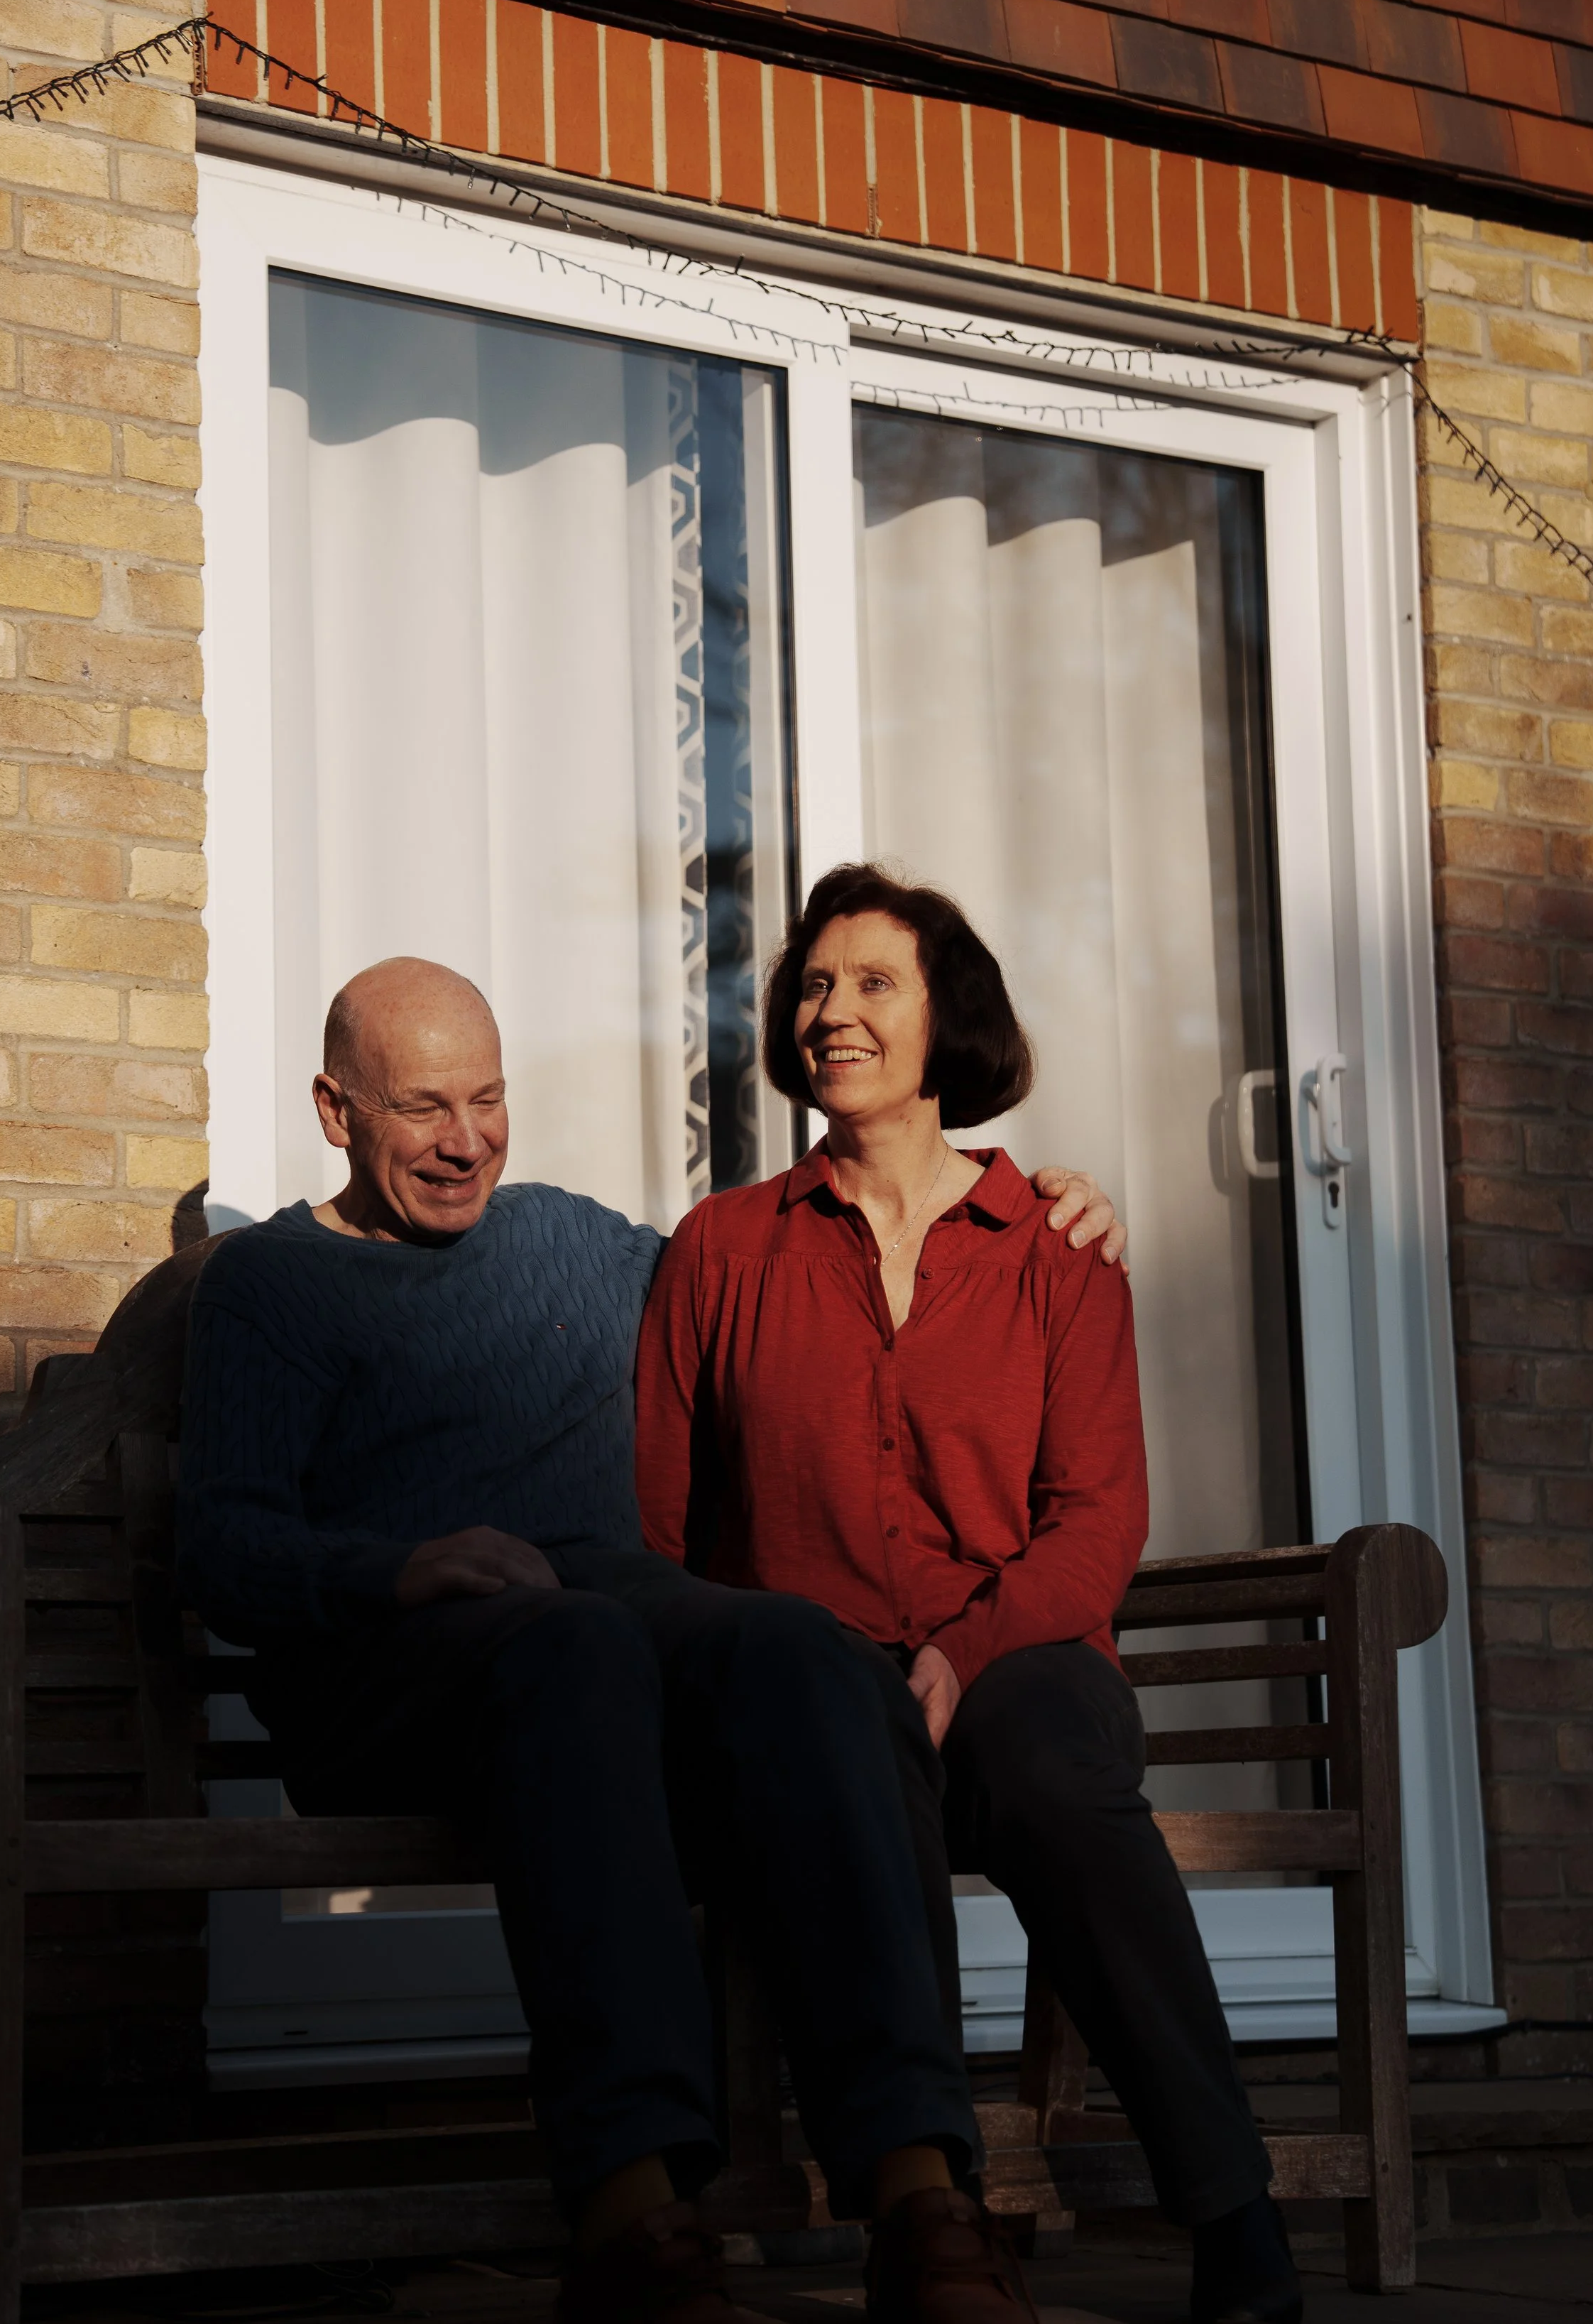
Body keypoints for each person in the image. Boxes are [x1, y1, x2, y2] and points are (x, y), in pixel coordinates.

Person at [177, 956, 1124, 2324]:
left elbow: (786, 1266)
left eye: (490, 1102)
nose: (466, 1142)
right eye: (422, 1109)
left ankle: (921, 2194)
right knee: (574, 1651)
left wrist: (1025, 1209)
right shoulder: (265, 1285)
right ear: (335, 1110)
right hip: (400, 1661)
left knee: (805, 1653)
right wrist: (400, 1565)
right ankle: (636, 2218)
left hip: (601, 1623)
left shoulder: (574, 1240)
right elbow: (221, 1543)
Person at [635, 866, 1303, 2324]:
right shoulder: (718, 1252)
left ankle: (1231, 2210)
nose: (830, 1012)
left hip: (1019, 1655)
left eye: (872, 984)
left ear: (950, 1022)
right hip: (801, 1682)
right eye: (813, 986)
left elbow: (1094, 1522)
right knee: (846, 1746)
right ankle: (925, 2216)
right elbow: (661, 1534)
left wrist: (958, 1647)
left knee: (1056, 1774)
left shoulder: (1056, 1252)